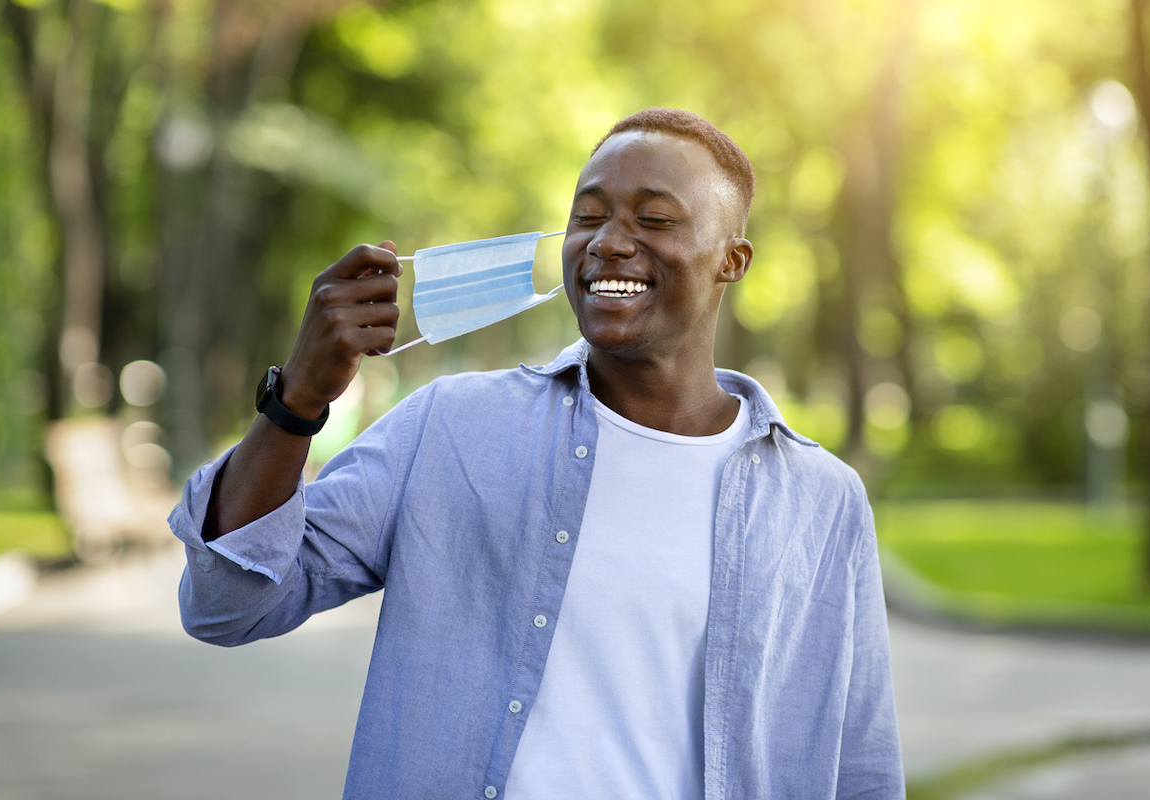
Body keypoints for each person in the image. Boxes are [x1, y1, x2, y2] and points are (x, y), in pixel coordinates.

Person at [171, 108, 905, 799]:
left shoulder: (819, 498)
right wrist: (295, 401)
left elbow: (860, 762)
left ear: (732, 260)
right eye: (588, 216)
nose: (609, 241)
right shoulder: (451, 428)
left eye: (654, 219)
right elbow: (228, 605)